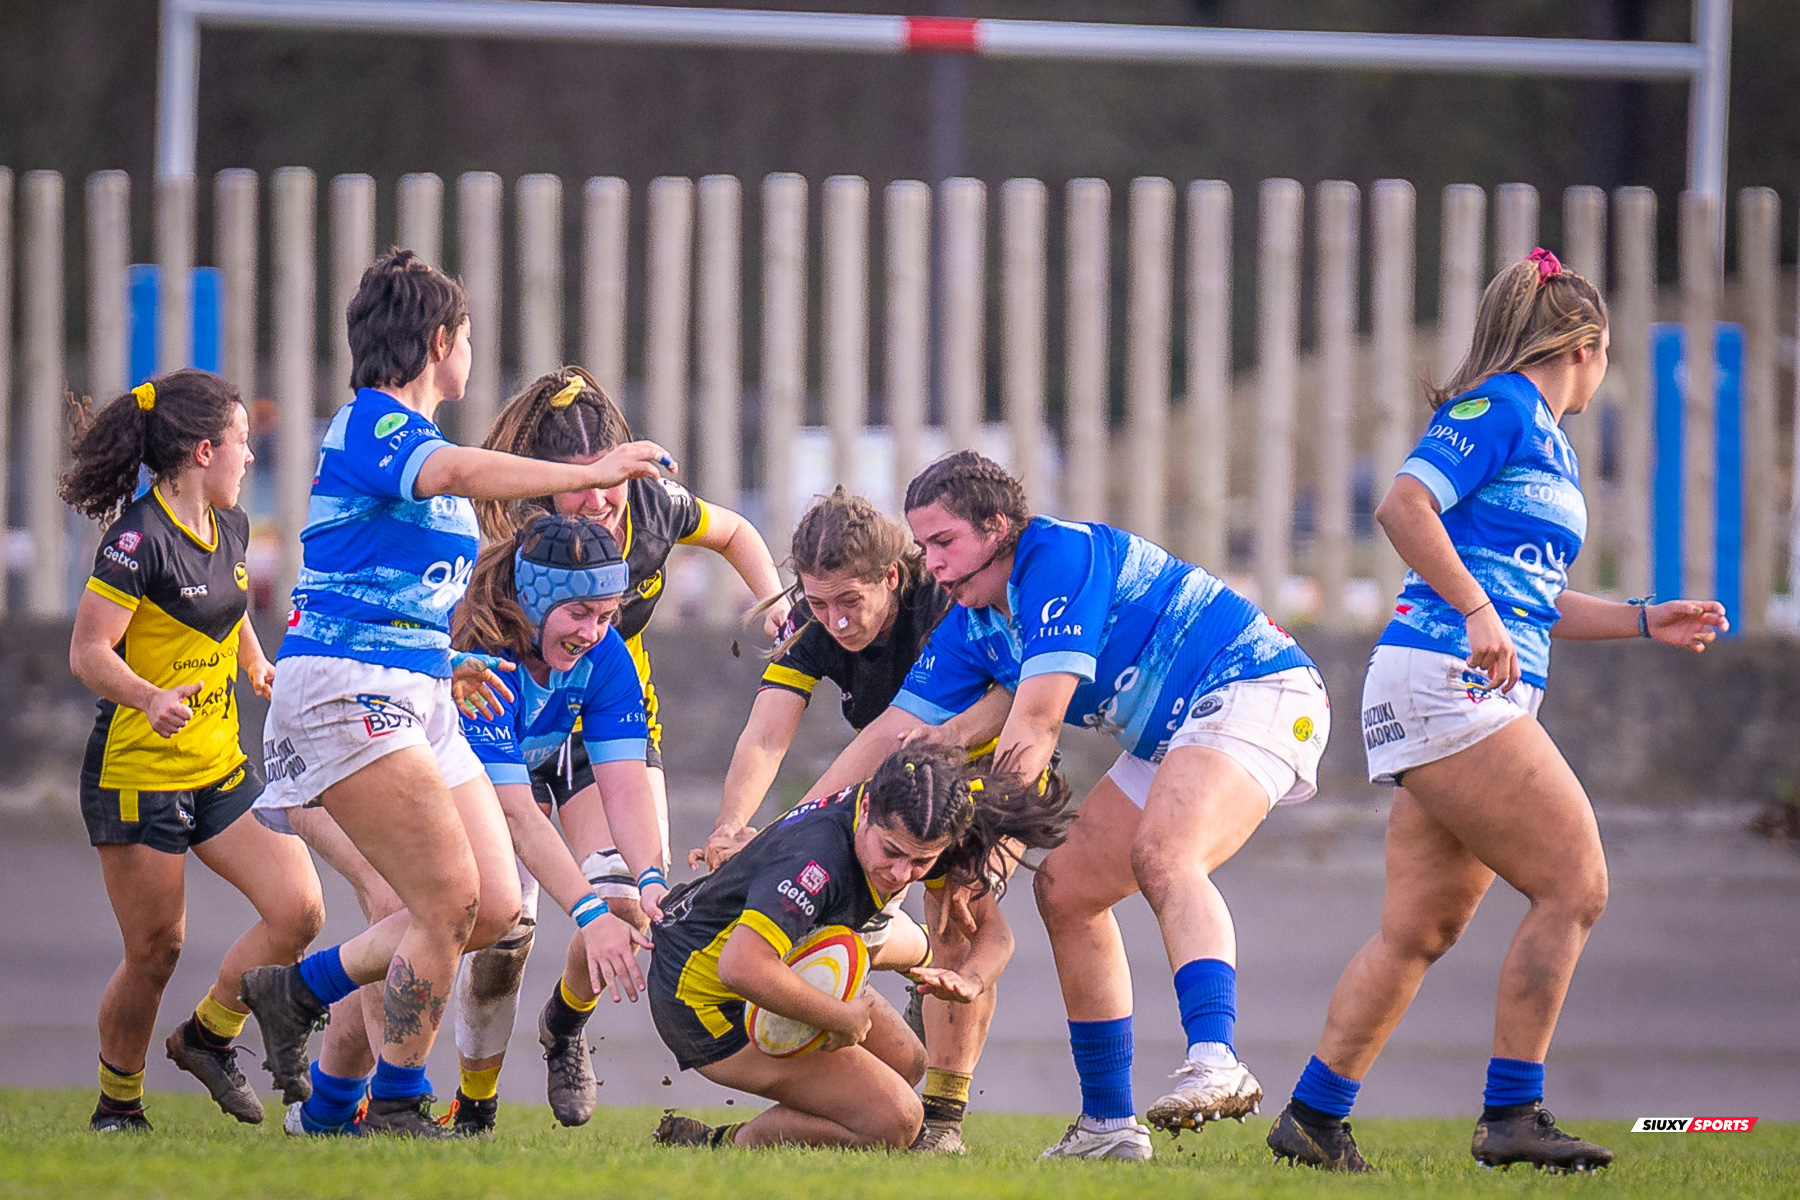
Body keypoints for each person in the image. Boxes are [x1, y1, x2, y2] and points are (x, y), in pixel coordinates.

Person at [1265, 250, 1728, 1175]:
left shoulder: (1547, 438)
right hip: (1448, 679)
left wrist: (1645, 619)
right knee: (1577, 884)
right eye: (1608, 358)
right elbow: (1403, 506)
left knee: (1419, 930)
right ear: (1586, 348)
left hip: (1451, 682)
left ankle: (1313, 1118)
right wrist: (1476, 611)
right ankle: (1513, 1112)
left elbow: (1533, 598)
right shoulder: (1502, 407)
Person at [238, 250, 673, 1136]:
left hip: (417, 688)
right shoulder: (373, 423)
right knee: (440, 901)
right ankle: (396, 1104)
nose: (470, 352)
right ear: (441, 342)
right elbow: (457, 474)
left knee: (498, 909)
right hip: (346, 689)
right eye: (467, 336)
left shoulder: (415, 447)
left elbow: (398, 585)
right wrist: (589, 474)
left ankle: (301, 999)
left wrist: (443, 663)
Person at [811, 451, 1331, 1161]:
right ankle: (1108, 1127)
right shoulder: (972, 623)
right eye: (924, 546)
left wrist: (980, 858)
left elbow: (1035, 724)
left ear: (998, 527)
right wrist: (787, 831)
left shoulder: (1057, 555)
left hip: (1255, 685)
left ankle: (1216, 1057)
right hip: (1173, 734)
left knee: (1164, 855)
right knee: (1066, 890)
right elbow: (889, 734)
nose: (931, 563)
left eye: (944, 541)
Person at [448, 367, 786, 1117]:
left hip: (607, 718)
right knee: (506, 930)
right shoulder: (517, 525)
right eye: (581, 485)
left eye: (611, 482)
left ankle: (566, 1025)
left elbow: (735, 531)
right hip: (507, 717)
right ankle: (472, 1104)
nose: (599, 500)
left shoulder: (655, 505)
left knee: (631, 898)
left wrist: (772, 601)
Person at [695, 487, 1011, 1153]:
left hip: (985, 768)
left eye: (849, 601)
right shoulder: (811, 625)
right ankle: (900, 989)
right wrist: (732, 823)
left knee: (957, 920)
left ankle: (943, 1124)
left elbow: (1016, 694)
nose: (835, 621)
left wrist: (947, 739)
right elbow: (766, 735)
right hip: (894, 779)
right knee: (830, 916)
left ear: (891, 577)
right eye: (818, 603)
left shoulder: (944, 600)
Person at [61, 370, 326, 1132]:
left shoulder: (229, 524)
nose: (252, 454)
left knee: (299, 909)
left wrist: (255, 662)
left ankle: (208, 1036)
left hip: (218, 765)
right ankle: (118, 1106)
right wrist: (148, 697)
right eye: (243, 441)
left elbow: (226, 604)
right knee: (156, 951)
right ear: (204, 451)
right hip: (139, 775)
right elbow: (87, 652)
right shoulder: (135, 541)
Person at [650, 743, 1069, 1151]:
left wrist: (970, 982)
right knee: (898, 1122)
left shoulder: (929, 822)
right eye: (892, 852)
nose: (901, 874)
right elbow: (740, 966)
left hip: (779, 960)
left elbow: (995, 936)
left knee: (907, 1063)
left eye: (920, 863)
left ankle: (835, 1113)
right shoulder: (816, 859)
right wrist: (840, 1016)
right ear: (865, 808)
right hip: (701, 1000)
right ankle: (724, 1142)